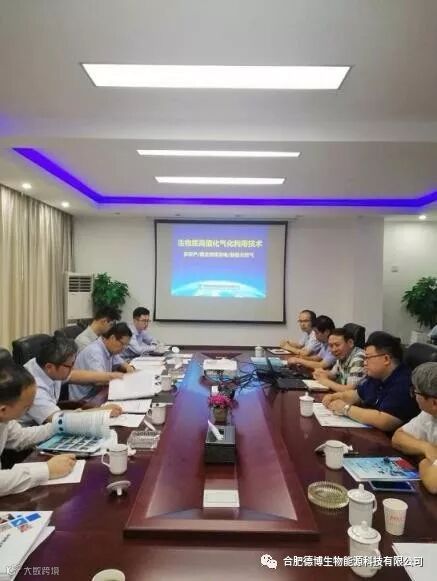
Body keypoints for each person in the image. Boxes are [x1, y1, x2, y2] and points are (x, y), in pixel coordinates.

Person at [0, 364, 76, 496]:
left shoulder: (5, 418)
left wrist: (59, 425)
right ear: (3, 410)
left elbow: (21, 437)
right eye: (26, 407)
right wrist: (47, 470)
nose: (29, 409)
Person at [322, 332, 419, 432]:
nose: (364, 362)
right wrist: (336, 397)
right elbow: (357, 395)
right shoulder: (377, 375)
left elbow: (385, 421)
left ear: (386, 359)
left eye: (368, 358)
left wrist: (345, 408)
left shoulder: (404, 382)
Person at [21, 337, 123, 426]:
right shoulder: (33, 387)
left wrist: (111, 376)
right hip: (31, 434)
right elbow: (58, 419)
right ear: (49, 367)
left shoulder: (44, 364)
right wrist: (102, 412)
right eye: (69, 365)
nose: (72, 368)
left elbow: (74, 375)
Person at [392, 362, 437, 494]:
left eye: (415, 392)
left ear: (434, 403)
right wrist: (426, 448)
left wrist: (422, 460)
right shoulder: (429, 413)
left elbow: (434, 484)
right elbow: (398, 437)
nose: (413, 396)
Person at [69, 323, 135, 401]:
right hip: (85, 399)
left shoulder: (109, 348)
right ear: (113, 338)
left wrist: (129, 368)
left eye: (126, 345)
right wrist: (123, 378)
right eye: (123, 344)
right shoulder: (95, 352)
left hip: (98, 393)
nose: (124, 348)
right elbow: (99, 381)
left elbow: (121, 362)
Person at [313, 328, 365, 392]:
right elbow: (333, 374)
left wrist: (325, 381)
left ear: (350, 343)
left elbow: (349, 390)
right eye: (331, 346)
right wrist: (321, 373)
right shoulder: (342, 355)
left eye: (337, 345)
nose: (334, 349)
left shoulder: (358, 359)